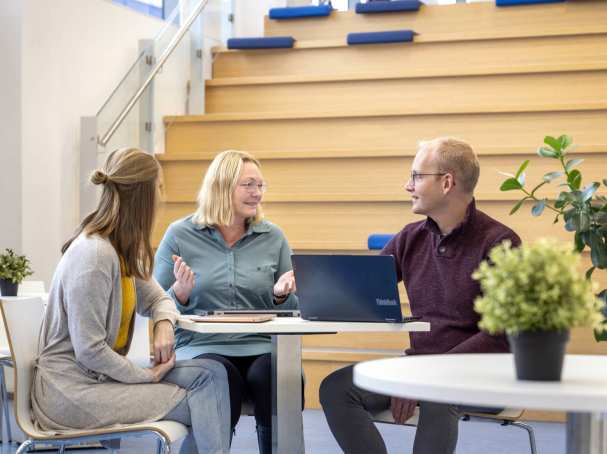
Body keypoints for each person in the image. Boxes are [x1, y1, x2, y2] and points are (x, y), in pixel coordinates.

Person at [319, 137, 521, 454]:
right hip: (422, 369)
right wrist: (312, 282)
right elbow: (362, 289)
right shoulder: (410, 238)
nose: (407, 185)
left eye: (415, 176)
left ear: (446, 183)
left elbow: (501, 335)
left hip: (483, 373)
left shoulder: (499, 243)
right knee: (336, 388)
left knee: (437, 395)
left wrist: (425, 374)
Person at [32, 148, 230, 454]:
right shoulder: (95, 255)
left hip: (98, 377)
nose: (163, 196)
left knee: (213, 374)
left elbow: (159, 298)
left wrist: (163, 323)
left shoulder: (118, 248)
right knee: (204, 402)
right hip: (72, 392)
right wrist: (145, 377)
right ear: (144, 196)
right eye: (160, 187)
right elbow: (90, 351)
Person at [154, 149, 298, 454]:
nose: (257, 193)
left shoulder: (274, 237)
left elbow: (295, 310)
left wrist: (280, 296)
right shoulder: (179, 234)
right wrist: (179, 293)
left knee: (279, 378)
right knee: (219, 379)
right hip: (201, 347)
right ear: (221, 185)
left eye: (260, 185)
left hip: (260, 345)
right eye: (248, 184)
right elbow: (155, 305)